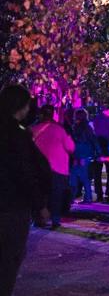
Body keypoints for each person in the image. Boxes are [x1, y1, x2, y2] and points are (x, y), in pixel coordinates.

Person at [1, 85, 50, 295]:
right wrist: (40, 204)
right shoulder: (17, 135)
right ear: (20, 106)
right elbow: (25, 172)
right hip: (13, 205)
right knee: (9, 258)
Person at [29, 107, 73, 229]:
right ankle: (55, 220)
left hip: (38, 168)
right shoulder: (60, 130)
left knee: (40, 194)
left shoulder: (33, 129)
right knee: (56, 195)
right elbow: (70, 147)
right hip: (57, 168)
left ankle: (38, 219)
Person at [66, 109, 99, 205]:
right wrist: (97, 152)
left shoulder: (75, 127)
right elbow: (93, 139)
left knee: (75, 176)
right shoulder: (87, 127)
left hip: (77, 153)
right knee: (83, 176)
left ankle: (73, 197)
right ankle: (87, 197)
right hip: (85, 153)